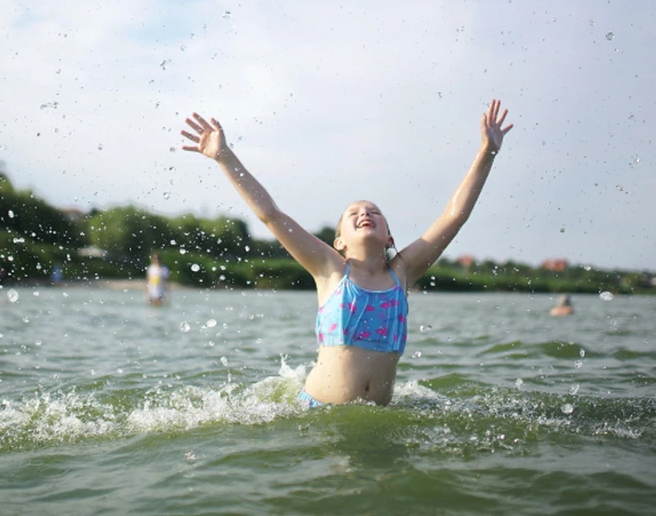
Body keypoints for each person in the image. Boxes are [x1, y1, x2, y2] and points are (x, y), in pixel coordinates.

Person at [180, 99, 514, 407]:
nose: (364, 213)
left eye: (374, 212)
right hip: (316, 412)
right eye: (353, 213)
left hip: (378, 417)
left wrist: (487, 153)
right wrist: (225, 157)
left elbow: (454, 216)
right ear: (339, 241)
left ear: (389, 237)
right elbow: (271, 214)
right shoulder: (329, 269)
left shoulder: (403, 272)